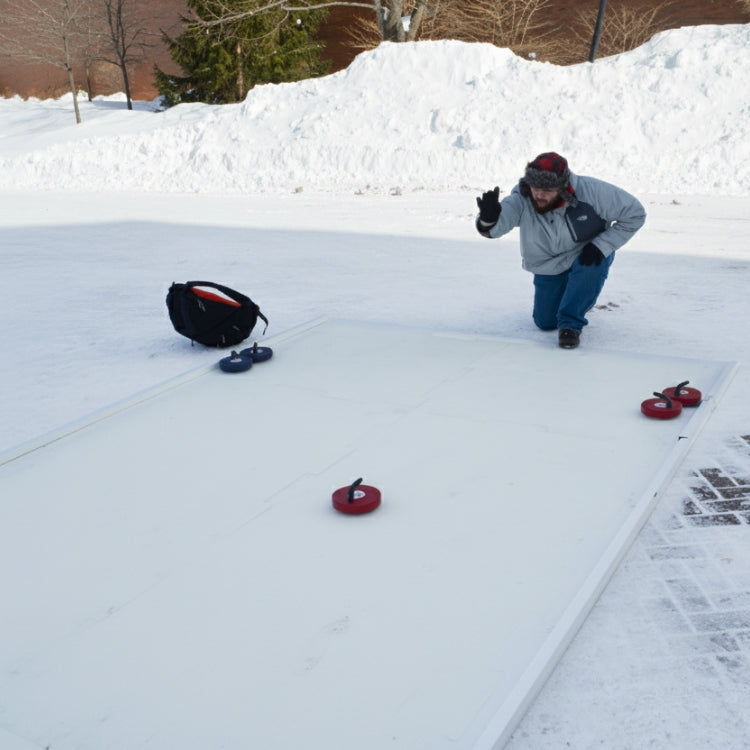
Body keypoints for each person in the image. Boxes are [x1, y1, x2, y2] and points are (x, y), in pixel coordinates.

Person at [476, 152, 646, 349]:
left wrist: (602, 246)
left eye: (547, 190)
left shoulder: (592, 192)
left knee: (590, 266)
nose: (539, 194)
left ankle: (571, 325)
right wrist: (488, 219)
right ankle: (576, 295)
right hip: (548, 264)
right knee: (545, 322)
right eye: (535, 188)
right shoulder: (522, 198)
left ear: (562, 187)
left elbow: (635, 213)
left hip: (586, 252)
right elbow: (497, 227)